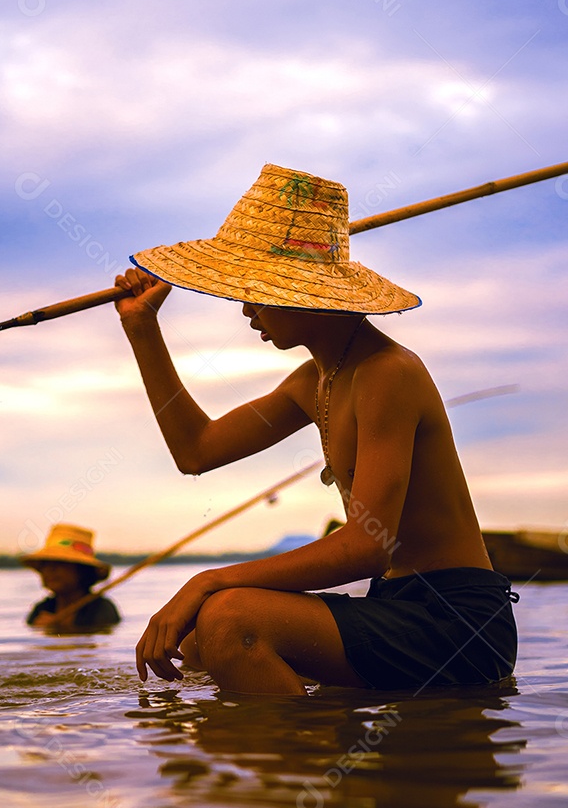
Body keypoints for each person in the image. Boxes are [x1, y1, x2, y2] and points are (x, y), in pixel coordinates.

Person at [114, 163, 518, 695]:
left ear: (307, 290)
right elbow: (196, 450)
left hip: (456, 625)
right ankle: (291, 750)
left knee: (231, 618)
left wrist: (210, 578)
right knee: (193, 641)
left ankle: (306, 768)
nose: (245, 308)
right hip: (394, 605)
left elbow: (367, 546)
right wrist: (142, 329)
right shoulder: (315, 380)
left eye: (257, 291)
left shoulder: (389, 373)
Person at [21, 523, 120, 632]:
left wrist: (62, 628)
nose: (50, 570)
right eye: (45, 564)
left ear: (82, 570)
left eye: (60, 563)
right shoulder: (42, 609)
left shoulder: (101, 608)